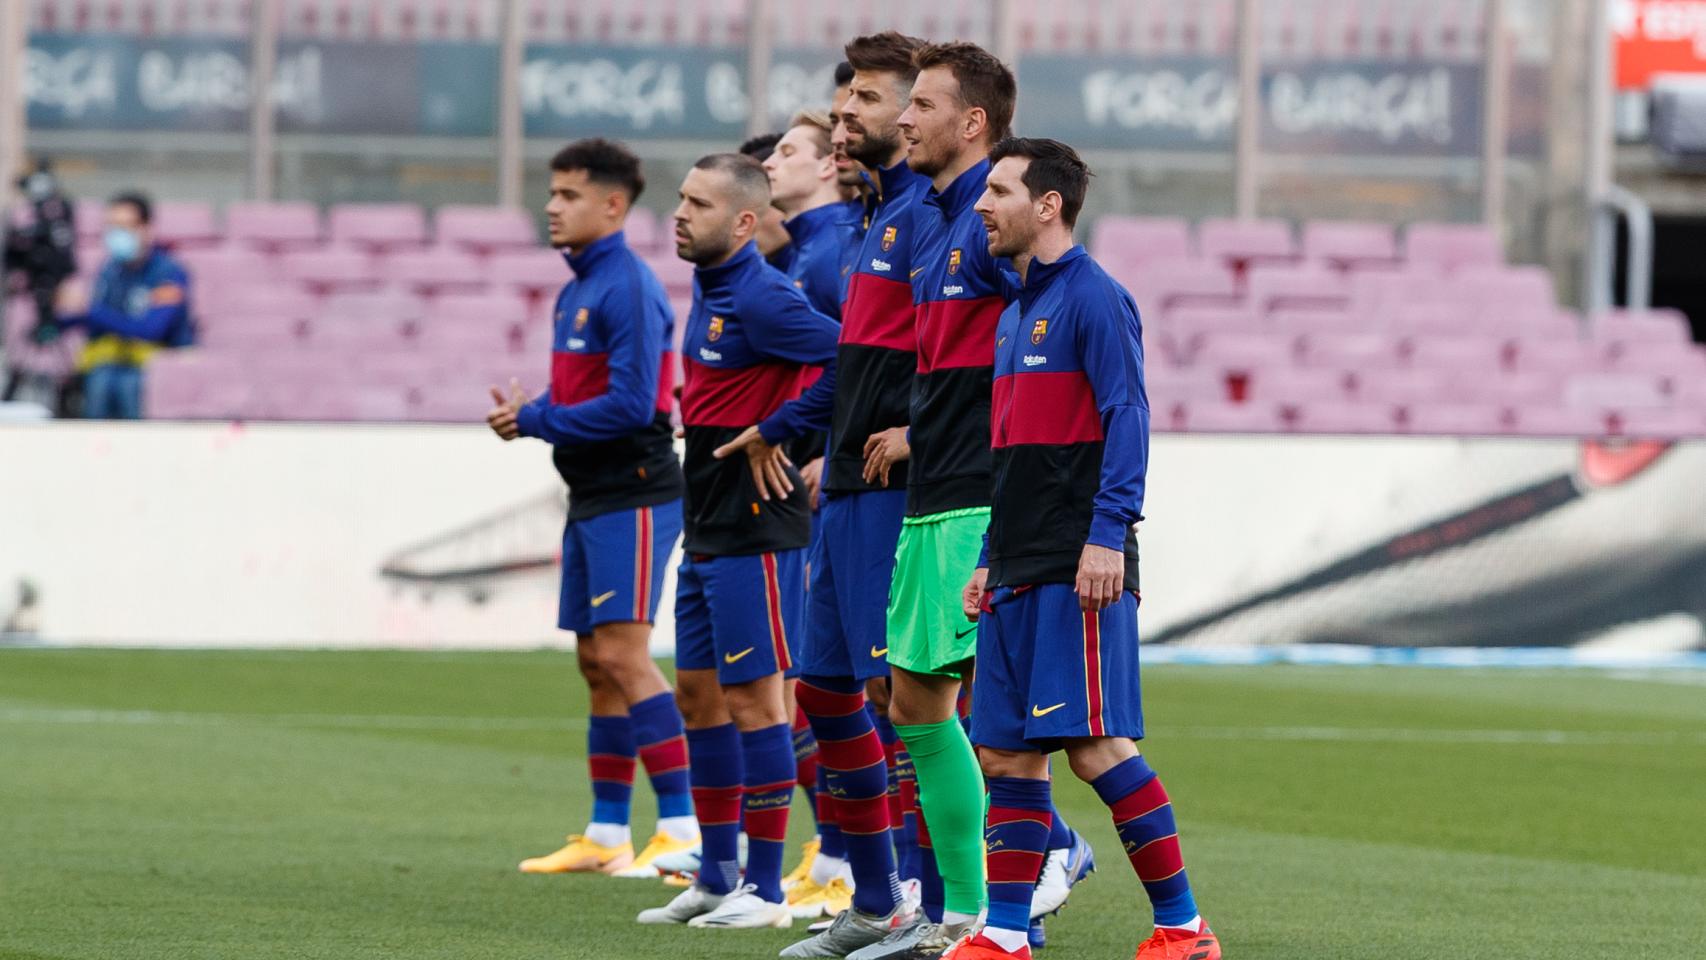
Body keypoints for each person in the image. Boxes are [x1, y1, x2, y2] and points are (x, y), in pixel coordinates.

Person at [951, 137, 1220, 960]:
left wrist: (1109, 534)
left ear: (1048, 205)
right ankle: (1003, 934)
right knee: (1004, 749)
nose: (981, 206)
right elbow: (1014, 451)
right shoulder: (1016, 309)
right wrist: (992, 552)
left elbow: (1126, 419)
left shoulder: (1096, 298)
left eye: (997, 190)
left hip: (1079, 559)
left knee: (1095, 746)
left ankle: (1183, 929)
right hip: (1020, 559)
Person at [717, 30, 929, 959]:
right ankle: (878, 896)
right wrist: (794, 429)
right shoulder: (876, 221)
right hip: (844, 478)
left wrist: (919, 429)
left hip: (907, 489)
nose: (846, 119)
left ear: (926, 116)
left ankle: (1002, 870)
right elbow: (857, 360)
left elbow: (975, 349)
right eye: (839, 106)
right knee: (829, 690)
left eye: (869, 105)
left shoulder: (932, 220)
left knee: (905, 696)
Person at [636, 152, 839, 930]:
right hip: (708, 524)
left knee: (759, 705)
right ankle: (718, 875)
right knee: (699, 696)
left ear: (745, 222)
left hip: (759, 527)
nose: (679, 214)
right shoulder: (709, 284)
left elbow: (852, 358)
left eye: (698, 204)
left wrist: (782, 431)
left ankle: (765, 889)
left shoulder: (763, 297)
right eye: (681, 199)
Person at [486, 139, 698, 880]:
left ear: (613, 205)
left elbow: (634, 405)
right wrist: (538, 413)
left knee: (623, 655)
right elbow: (587, 400)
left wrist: (536, 419)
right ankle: (608, 834)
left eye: (569, 194)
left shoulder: (626, 289)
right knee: (594, 662)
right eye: (551, 193)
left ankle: (681, 828)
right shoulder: (576, 289)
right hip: (593, 495)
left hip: (635, 491)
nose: (552, 205)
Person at [57, 192, 192, 419]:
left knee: (125, 384)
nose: (116, 234)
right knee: (101, 377)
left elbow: (150, 330)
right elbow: (94, 323)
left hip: (155, 364)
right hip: (113, 363)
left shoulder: (169, 273)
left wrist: (90, 310)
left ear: (147, 229)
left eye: (124, 226)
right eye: (111, 227)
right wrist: (64, 312)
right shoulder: (111, 270)